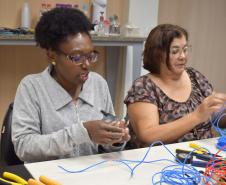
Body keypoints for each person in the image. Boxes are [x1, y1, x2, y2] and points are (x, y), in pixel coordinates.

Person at [12, 7, 130, 163]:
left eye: (91, 55)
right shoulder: (32, 88)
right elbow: (24, 147)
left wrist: (115, 139)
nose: (87, 64)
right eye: (76, 57)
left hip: (91, 173)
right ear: (52, 55)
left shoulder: (98, 83)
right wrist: (82, 132)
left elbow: (106, 148)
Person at [124, 24, 226, 149]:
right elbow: (148, 135)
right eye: (175, 51)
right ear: (157, 54)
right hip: (159, 162)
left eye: (185, 49)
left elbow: (217, 117)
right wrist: (196, 116)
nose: (182, 56)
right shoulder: (144, 87)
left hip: (201, 156)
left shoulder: (195, 76)